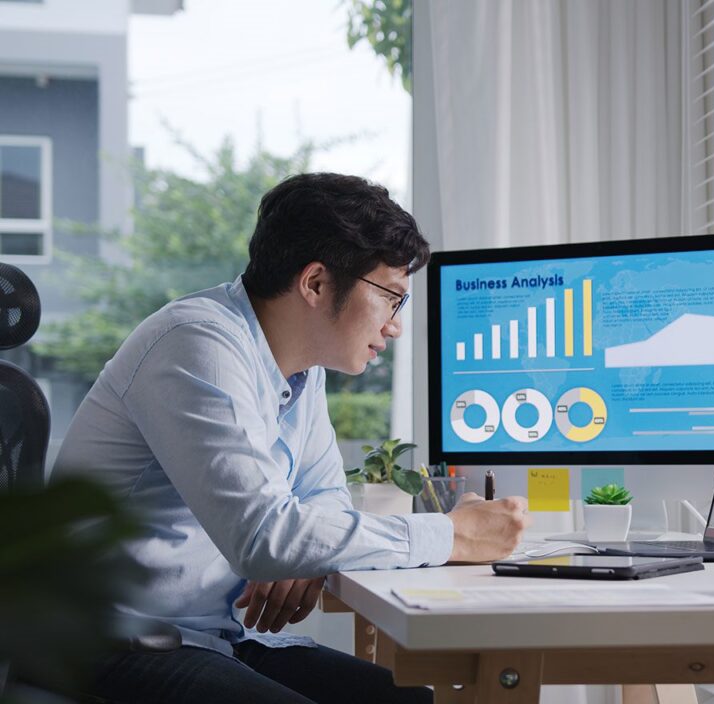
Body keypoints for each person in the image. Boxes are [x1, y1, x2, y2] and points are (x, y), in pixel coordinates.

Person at [52, 173, 530, 703]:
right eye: (392, 298)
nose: (395, 326)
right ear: (316, 284)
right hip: (107, 645)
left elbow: (317, 502)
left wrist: (305, 552)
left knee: (413, 700)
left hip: (205, 637)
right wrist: (451, 535)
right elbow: (266, 539)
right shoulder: (197, 344)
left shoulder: (301, 372)